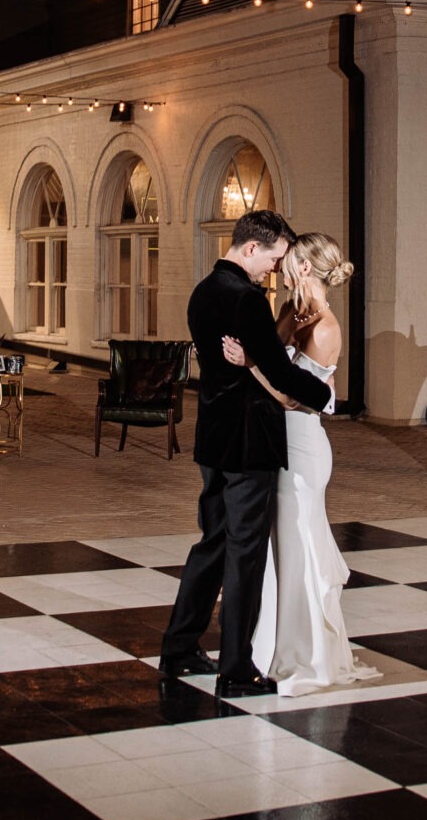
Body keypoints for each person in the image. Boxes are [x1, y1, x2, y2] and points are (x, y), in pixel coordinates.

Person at [159, 209, 334, 696]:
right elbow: (279, 373)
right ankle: (235, 669)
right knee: (244, 554)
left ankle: (178, 647)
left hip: (213, 438)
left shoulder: (202, 292)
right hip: (249, 441)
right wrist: (328, 396)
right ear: (252, 248)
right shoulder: (247, 301)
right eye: (274, 259)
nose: (274, 270)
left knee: (212, 544)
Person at [224, 232, 379, 697]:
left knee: (301, 547)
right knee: (278, 549)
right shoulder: (291, 311)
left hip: (303, 448)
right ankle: (270, 646)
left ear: (305, 268)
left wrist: (248, 365)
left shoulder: (326, 327)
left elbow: (295, 396)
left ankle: (310, 655)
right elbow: (270, 357)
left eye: (287, 261)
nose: (280, 268)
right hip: (274, 441)